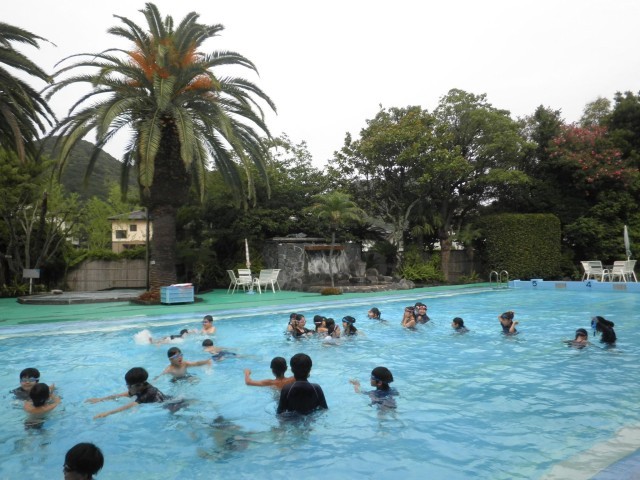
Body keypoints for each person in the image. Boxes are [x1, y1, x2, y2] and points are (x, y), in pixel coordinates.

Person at [87, 367, 167, 419]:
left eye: (128, 386)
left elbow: (129, 406)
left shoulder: (149, 393)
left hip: (169, 405)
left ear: (138, 385)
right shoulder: (140, 387)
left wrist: (108, 413)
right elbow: (120, 395)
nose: (127, 388)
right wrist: (100, 399)